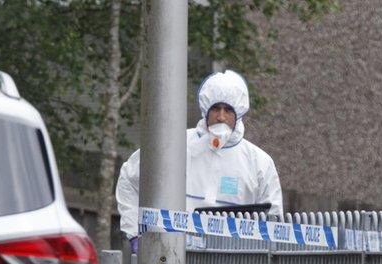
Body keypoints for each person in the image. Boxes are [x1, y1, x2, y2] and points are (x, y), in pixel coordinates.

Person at [116, 70, 283, 251]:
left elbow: (274, 218)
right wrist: (135, 233)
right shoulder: (174, 146)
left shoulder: (259, 163)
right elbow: (128, 179)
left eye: (228, 110)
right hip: (172, 261)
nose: (221, 116)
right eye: (215, 109)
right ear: (205, 110)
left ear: (239, 114)